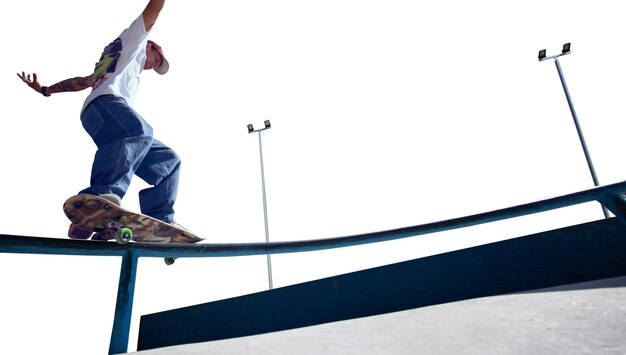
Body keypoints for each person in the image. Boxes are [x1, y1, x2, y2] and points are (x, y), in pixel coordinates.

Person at [17, 0, 183, 239]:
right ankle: (101, 196)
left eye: (157, 66)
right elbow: (153, 9)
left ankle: (150, 220)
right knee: (140, 131)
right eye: (157, 58)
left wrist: (46, 90)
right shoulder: (135, 40)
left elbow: (82, 82)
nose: (154, 65)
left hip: (104, 118)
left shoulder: (113, 62)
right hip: (106, 105)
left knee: (169, 161)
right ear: (150, 45)